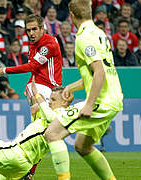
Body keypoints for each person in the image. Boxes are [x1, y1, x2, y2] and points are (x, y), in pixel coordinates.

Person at [43, 0, 123, 179]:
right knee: (82, 145)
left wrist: (89, 104)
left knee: (52, 133)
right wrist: (71, 87)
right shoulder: (99, 33)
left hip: (101, 101)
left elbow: (99, 72)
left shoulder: (83, 37)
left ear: (71, 16)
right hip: (114, 98)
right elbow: (95, 73)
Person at [0, 14, 63, 103]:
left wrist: (5, 70)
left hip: (50, 87)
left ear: (42, 29)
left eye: (34, 29)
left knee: (44, 112)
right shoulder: (33, 43)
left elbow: (32, 66)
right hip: (38, 86)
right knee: (39, 111)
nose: (31, 33)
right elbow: (35, 69)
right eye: (28, 30)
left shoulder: (49, 45)